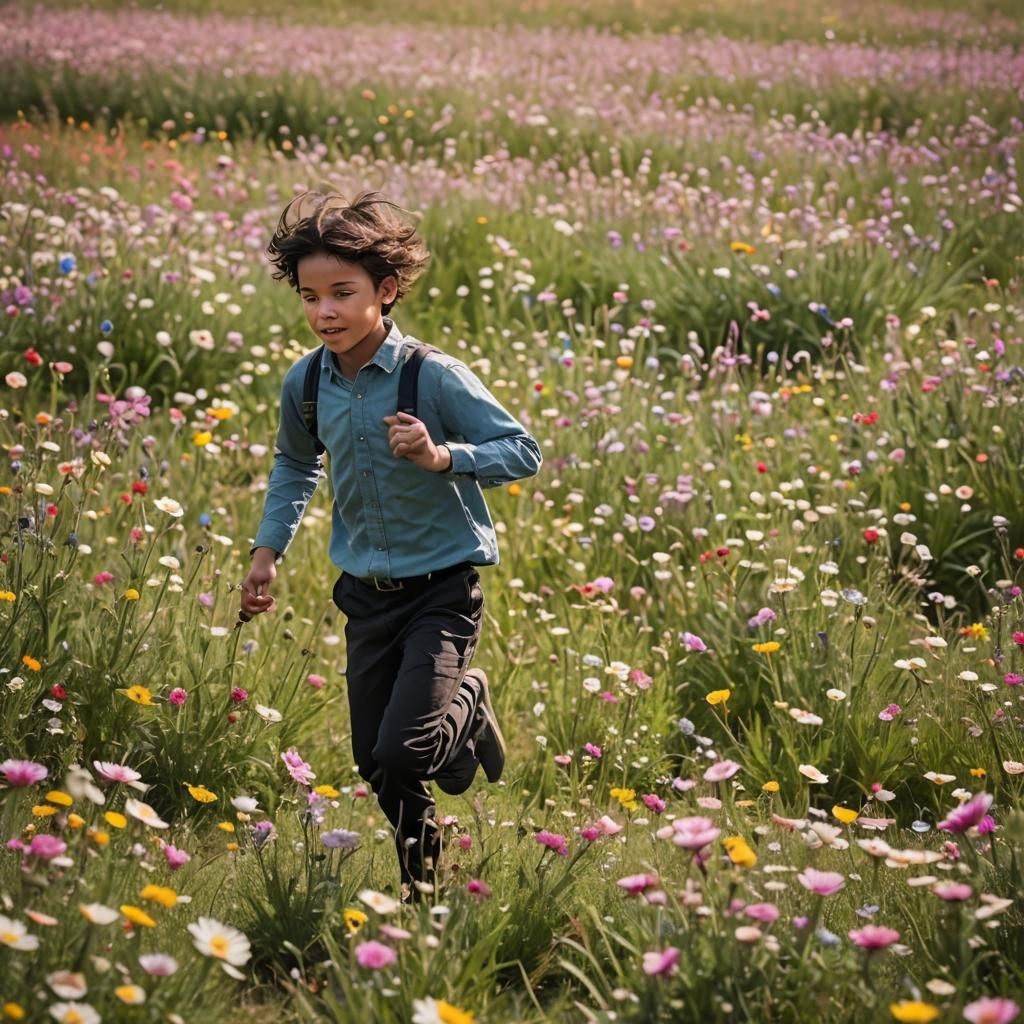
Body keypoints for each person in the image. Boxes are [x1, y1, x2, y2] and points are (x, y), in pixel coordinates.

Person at [240, 191, 542, 895]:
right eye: (311, 297)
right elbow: (294, 462)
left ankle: (466, 699)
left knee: (405, 751)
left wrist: (444, 458)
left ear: (386, 290)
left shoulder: (429, 374)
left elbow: (521, 449)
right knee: (376, 763)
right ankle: (424, 889)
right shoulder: (307, 382)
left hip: (441, 589)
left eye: (343, 293)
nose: (325, 313)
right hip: (364, 597)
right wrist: (267, 550)